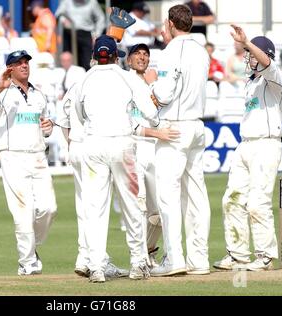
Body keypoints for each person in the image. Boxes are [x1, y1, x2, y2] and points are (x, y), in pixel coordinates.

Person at [74, 35, 160, 283]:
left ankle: (97, 266)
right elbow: (151, 113)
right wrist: (153, 122)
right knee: (132, 205)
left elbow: (79, 115)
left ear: (94, 55)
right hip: (122, 143)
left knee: (94, 208)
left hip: (93, 145)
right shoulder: (126, 77)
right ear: (115, 55)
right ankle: (138, 263)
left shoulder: (84, 80)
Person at [0, 50, 57, 275]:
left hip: (38, 155)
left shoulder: (38, 94)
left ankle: (32, 249)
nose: (24, 66)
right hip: (13, 156)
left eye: (26, 62)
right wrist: (0, 87)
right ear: (9, 68)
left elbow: (44, 124)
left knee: (49, 208)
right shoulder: (2, 92)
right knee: (23, 211)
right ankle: (27, 262)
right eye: (18, 63)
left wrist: (47, 128)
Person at [213, 25, 282, 271]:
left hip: (266, 145)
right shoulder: (250, 83)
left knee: (257, 202)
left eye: (251, 54)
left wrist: (247, 42)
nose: (247, 58)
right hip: (245, 146)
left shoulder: (275, 79)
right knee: (231, 200)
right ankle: (238, 255)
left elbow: (267, 62)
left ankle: (265, 256)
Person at [145, 4, 211, 276]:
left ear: (171, 23)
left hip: (175, 127)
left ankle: (174, 259)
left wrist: (151, 85)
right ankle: (199, 260)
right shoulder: (201, 49)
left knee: (169, 195)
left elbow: (165, 91)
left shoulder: (172, 51)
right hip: (196, 125)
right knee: (196, 194)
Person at [56, 82, 130, 280]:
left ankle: (84, 258)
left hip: (77, 148)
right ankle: (96, 261)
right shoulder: (109, 83)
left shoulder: (76, 86)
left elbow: (62, 119)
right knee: (97, 206)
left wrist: (71, 144)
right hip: (95, 146)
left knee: (85, 205)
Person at [126, 43, 181, 268]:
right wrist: (155, 131)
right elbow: (127, 121)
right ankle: (137, 258)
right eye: (137, 54)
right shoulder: (124, 82)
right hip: (134, 148)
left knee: (160, 209)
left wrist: (153, 86)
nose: (142, 57)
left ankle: (148, 251)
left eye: (146, 54)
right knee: (138, 207)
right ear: (128, 60)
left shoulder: (155, 83)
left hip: (157, 148)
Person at [55, 0, 106, 70]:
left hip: (85, 34)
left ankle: (86, 77)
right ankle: (69, 78)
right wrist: (64, 20)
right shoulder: (67, 2)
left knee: (87, 62)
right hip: (69, 34)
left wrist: (97, 35)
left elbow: (101, 18)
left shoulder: (92, 2)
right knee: (67, 59)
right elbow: (59, 14)